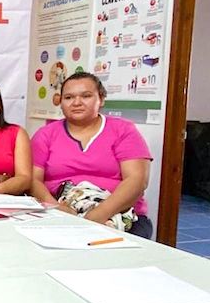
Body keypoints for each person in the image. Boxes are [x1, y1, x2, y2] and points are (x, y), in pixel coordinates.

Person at [30, 72, 153, 238]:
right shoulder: (45, 134)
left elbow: (137, 180)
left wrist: (98, 215)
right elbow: (33, 179)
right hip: (60, 213)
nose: (77, 102)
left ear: (101, 99)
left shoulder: (123, 130)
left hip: (117, 214)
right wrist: (57, 209)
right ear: (61, 103)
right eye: (68, 97)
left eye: (86, 96)